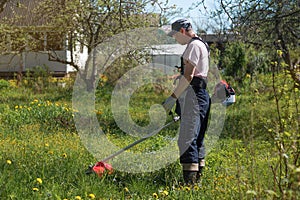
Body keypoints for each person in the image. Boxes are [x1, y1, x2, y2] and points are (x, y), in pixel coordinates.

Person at [162, 19, 211, 185]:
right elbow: (196, 74)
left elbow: (189, 77)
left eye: (175, 35)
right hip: (201, 95)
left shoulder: (193, 46)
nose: (175, 39)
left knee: (187, 139)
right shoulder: (201, 44)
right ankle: (197, 182)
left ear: (182, 31)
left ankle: (189, 186)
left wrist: (172, 98)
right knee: (196, 138)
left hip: (193, 96)